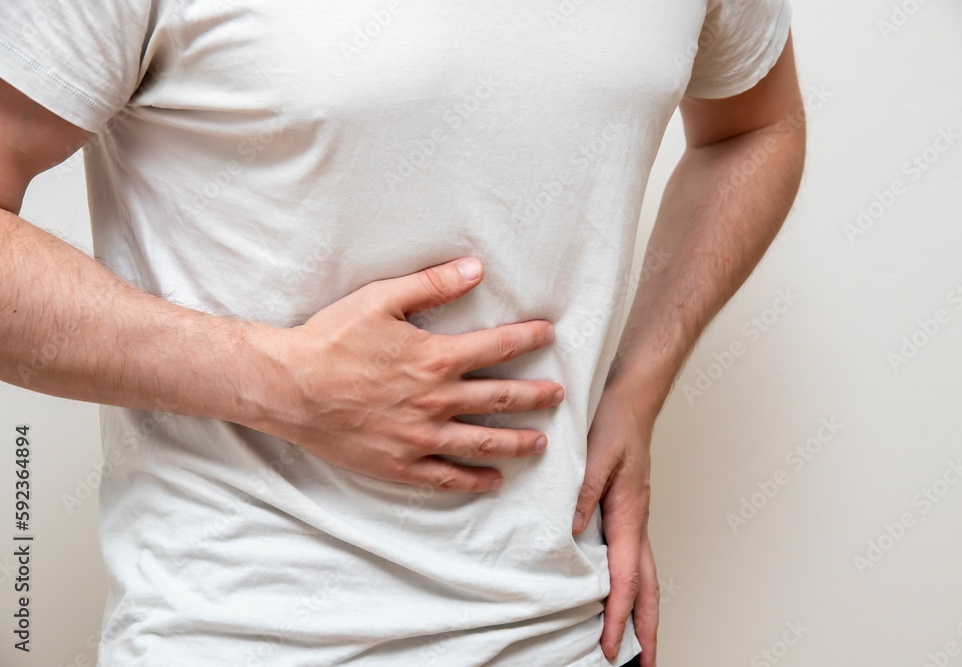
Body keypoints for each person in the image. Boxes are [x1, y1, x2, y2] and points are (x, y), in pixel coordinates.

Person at [0, 0, 805, 665]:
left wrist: (637, 386)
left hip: (574, 633)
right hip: (241, 636)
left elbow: (757, 129)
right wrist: (283, 381)